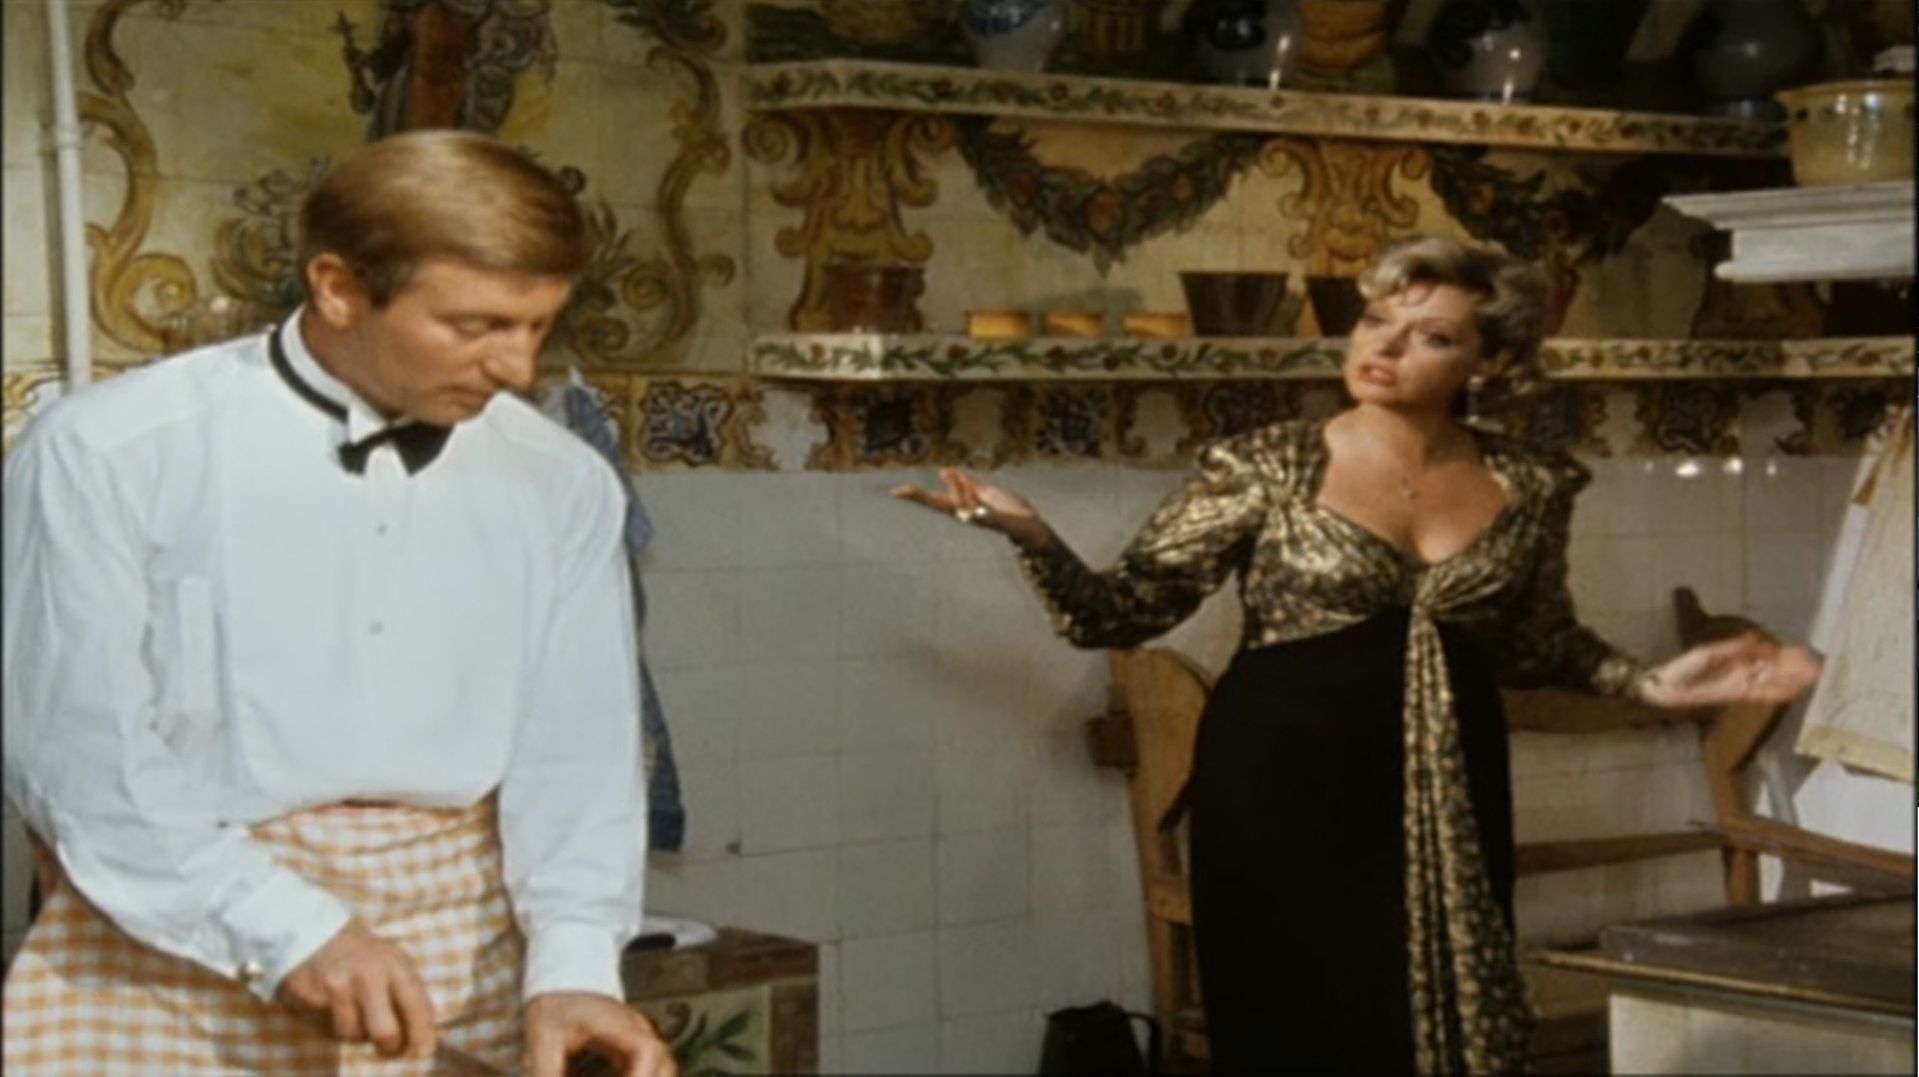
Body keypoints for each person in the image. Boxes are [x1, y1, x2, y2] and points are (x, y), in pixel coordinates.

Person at [893, 234, 1820, 1074]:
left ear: (1489, 362)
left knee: (1435, 1028)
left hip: (1448, 789)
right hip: (1277, 791)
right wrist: (1033, 536)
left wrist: (1649, 681)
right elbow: (1119, 612)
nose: (1384, 347)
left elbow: (1536, 639)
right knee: (1301, 1027)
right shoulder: (1264, 466)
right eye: (1377, 320)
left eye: (1430, 336)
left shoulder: (1531, 481)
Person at [3, 130, 676, 1077]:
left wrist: (573, 969)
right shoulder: (108, 450)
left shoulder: (560, 481)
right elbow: (80, 762)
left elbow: (578, 760)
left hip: (456, 961)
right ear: (338, 287)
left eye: (537, 327)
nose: (518, 369)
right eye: (476, 326)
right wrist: (286, 929)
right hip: (169, 953)